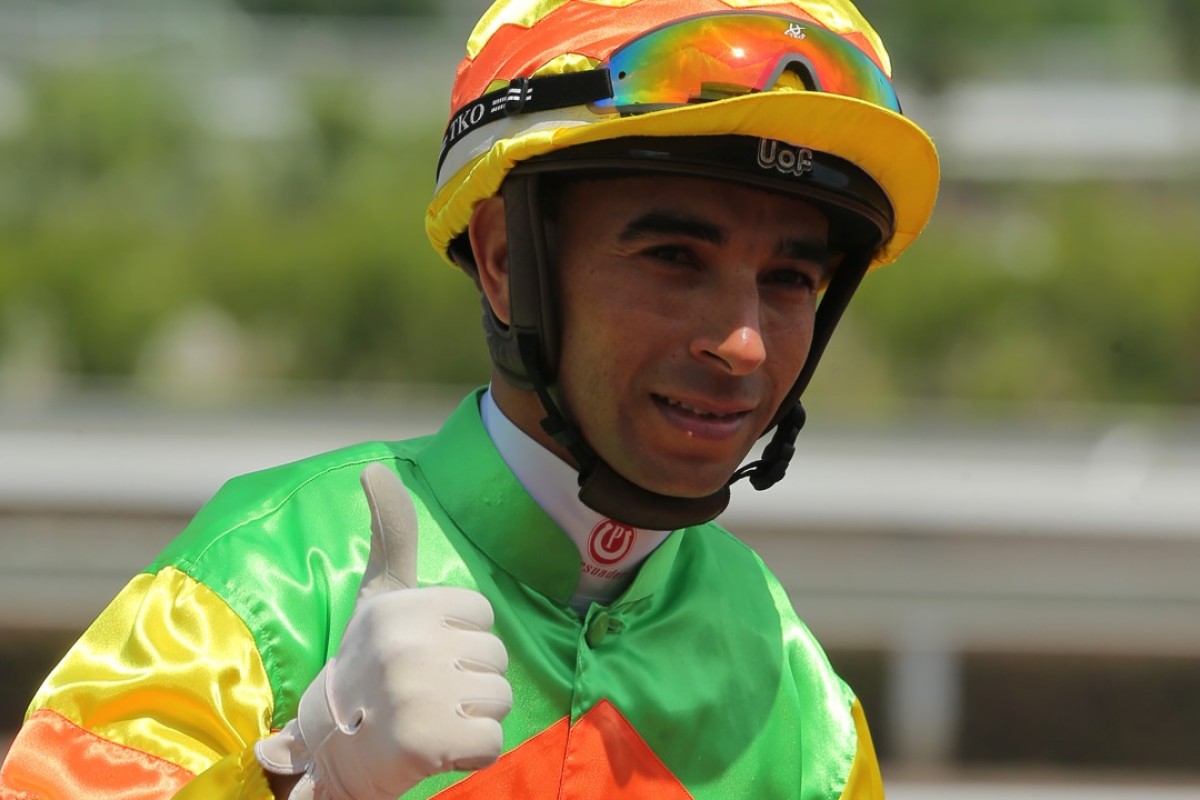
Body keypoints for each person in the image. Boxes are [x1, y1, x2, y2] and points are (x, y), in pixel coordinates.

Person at [0, 0, 939, 797]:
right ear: (502, 261)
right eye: (673, 259)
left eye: (787, 280)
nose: (739, 344)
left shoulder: (801, 697)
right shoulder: (258, 588)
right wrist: (308, 781)